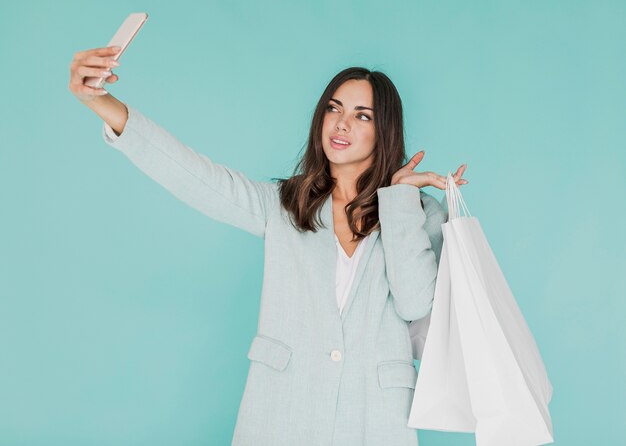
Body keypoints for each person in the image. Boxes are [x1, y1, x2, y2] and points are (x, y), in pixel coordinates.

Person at [68, 46, 468, 446]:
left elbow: (415, 304)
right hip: (282, 413)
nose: (342, 124)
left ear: (386, 131)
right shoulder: (284, 205)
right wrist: (100, 101)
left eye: (362, 115)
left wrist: (398, 199)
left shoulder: (417, 213)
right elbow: (194, 176)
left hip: (375, 419)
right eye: (334, 109)